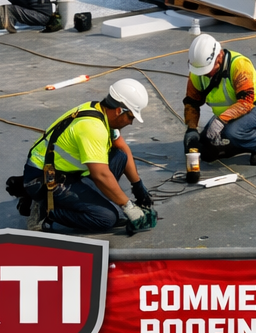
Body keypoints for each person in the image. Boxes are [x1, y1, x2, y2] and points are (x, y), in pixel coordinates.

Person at [17, 79, 155, 234]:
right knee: (106, 218)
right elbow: (100, 175)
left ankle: (83, 201)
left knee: (120, 157)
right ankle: (46, 211)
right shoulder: (93, 128)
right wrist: (129, 207)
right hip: (44, 179)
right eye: (130, 117)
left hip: (68, 174)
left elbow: (123, 149)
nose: (130, 123)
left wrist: (138, 186)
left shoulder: (99, 110)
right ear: (119, 111)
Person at [183, 34, 256, 165]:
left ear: (219, 56)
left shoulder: (239, 64)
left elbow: (246, 102)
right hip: (229, 114)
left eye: (208, 70)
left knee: (232, 132)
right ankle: (239, 144)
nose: (205, 74)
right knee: (205, 149)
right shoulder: (197, 72)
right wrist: (192, 129)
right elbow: (191, 102)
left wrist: (220, 121)